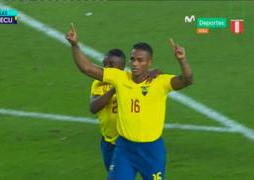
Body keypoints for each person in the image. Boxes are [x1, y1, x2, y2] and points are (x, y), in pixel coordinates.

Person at [66, 23, 193, 180]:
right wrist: (75, 45)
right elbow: (86, 68)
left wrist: (182, 60)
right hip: (125, 148)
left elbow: (187, 80)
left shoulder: (160, 82)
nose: (135, 63)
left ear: (149, 62)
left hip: (151, 150)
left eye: (140, 60)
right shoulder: (120, 78)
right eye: (133, 59)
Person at [90, 49, 162, 171]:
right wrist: (113, 89)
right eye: (105, 64)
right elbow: (93, 107)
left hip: (127, 142)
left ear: (122, 67)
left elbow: (157, 77)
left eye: (111, 65)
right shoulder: (98, 83)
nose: (107, 67)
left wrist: (157, 71)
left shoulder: (131, 81)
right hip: (108, 142)